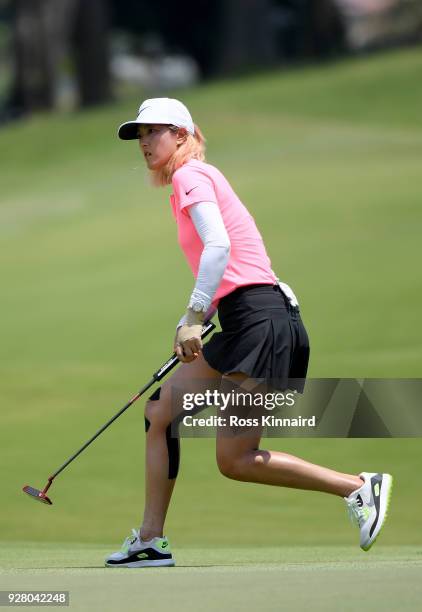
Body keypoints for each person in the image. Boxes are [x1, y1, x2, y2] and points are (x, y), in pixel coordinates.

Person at [105, 98, 393, 568]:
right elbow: (230, 265)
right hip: (247, 319)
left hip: (262, 322)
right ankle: (149, 541)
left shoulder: (190, 175)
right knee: (160, 412)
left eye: (153, 131)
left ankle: (359, 487)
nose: (144, 143)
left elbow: (218, 247)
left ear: (181, 134)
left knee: (235, 460)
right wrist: (194, 322)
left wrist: (195, 314)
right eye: (139, 135)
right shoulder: (193, 180)